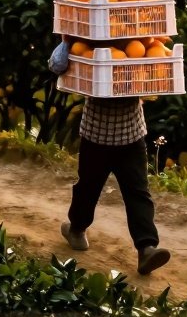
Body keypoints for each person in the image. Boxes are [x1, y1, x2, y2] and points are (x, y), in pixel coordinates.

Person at [48, 41, 170, 275]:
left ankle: (78, 231)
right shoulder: (142, 42)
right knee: (136, 193)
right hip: (129, 135)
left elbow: (57, 64)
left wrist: (66, 40)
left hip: (99, 134)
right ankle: (146, 248)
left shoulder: (89, 42)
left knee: (89, 187)